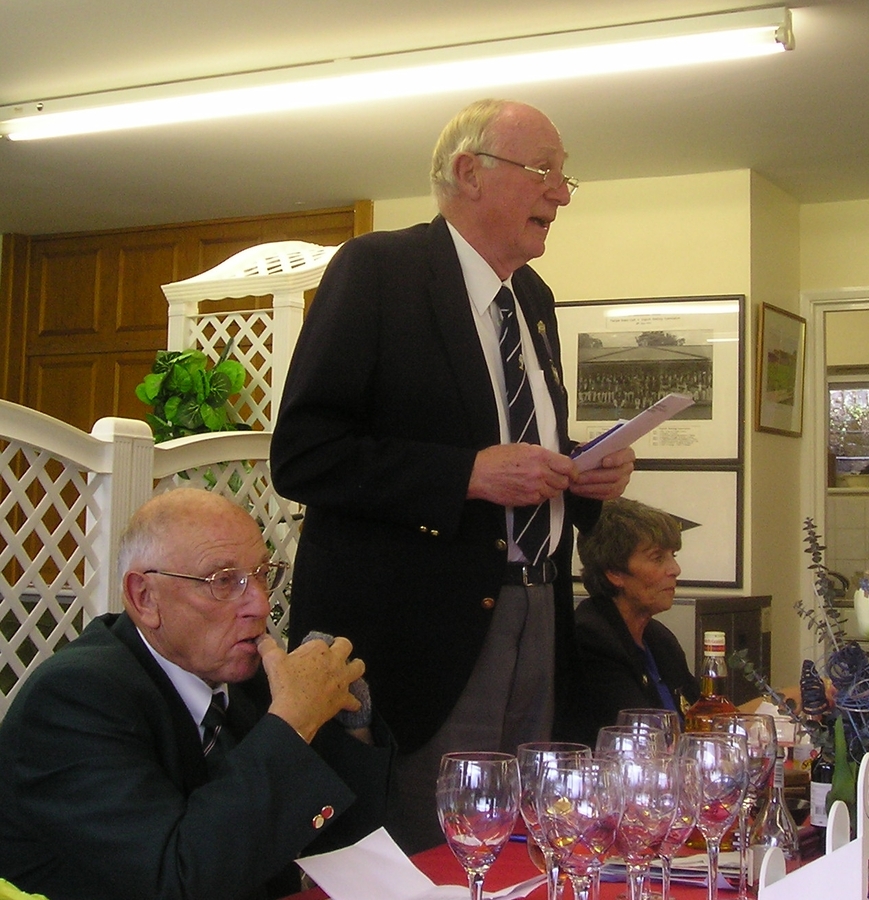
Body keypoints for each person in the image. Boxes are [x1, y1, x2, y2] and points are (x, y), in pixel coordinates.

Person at [270, 97, 634, 852]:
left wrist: (584, 477)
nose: (560, 194)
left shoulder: (532, 301)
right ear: (468, 172)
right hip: (421, 640)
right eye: (543, 171)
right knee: (428, 848)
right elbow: (304, 454)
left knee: (520, 845)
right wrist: (463, 474)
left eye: (565, 178)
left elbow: (522, 447)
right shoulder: (378, 270)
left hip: (540, 615)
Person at [0, 488, 394, 900]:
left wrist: (351, 724)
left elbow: (345, 846)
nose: (260, 604)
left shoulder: (244, 678)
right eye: (224, 581)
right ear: (144, 598)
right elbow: (179, 882)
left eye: (262, 574)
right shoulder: (74, 699)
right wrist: (293, 723)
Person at [570, 497, 700, 746]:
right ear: (615, 573)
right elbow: (640, 738)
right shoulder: (590, 638)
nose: (675, 569)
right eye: (657, 558)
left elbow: (699, 717)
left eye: (673, 555)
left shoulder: (659, 638)